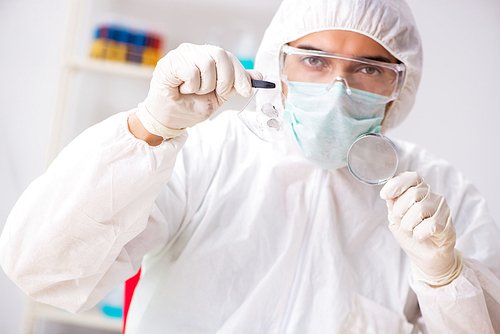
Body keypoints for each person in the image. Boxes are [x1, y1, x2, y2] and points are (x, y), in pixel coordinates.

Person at [1, 0, 499, 333]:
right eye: (315, 61)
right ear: (277, 65)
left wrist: (444, 275)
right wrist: (149, 129)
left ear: (399, 86)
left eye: (369, 69)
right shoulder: (205, 153)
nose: (336, 90)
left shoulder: (437, 197)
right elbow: (45, 272)